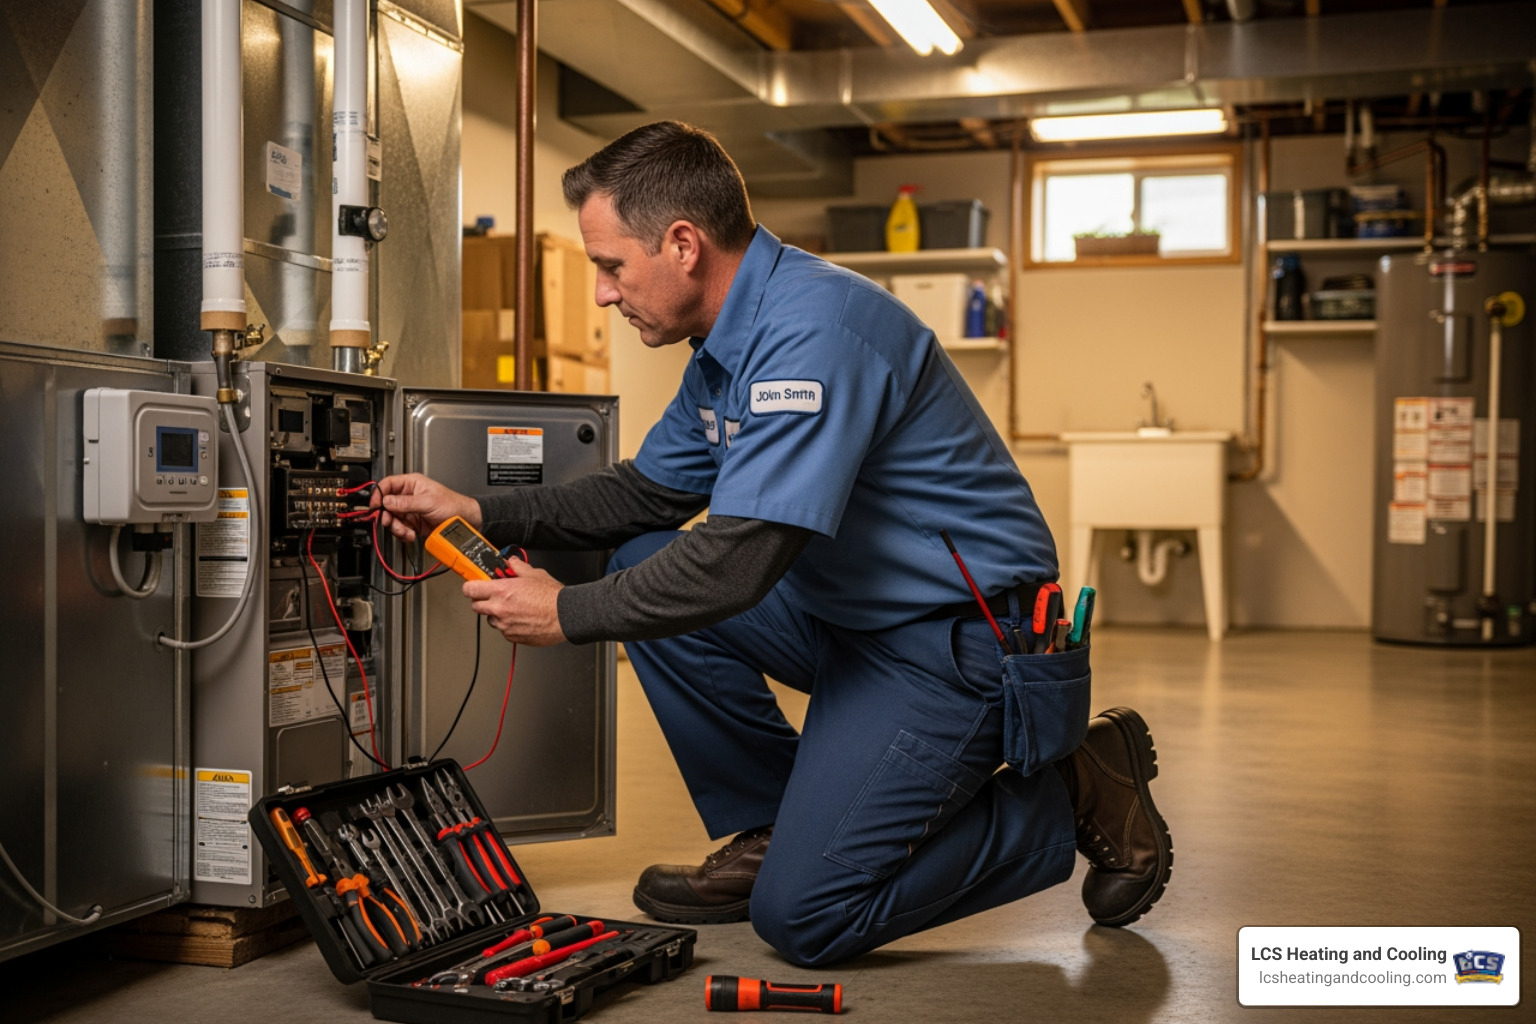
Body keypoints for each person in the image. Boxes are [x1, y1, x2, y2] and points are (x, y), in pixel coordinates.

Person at [372, 121, 1172, 967]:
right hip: (852, 616)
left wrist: (566, 611)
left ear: (683, 244)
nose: (604, 293)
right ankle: (773, 827)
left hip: (957, 642)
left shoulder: (813, 335)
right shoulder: (724, 350)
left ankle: (1075, 788)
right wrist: (484, 513)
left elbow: (737, 559)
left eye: (611, 266)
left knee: (808, 918)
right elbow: (646, 495)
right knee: (643, 561)